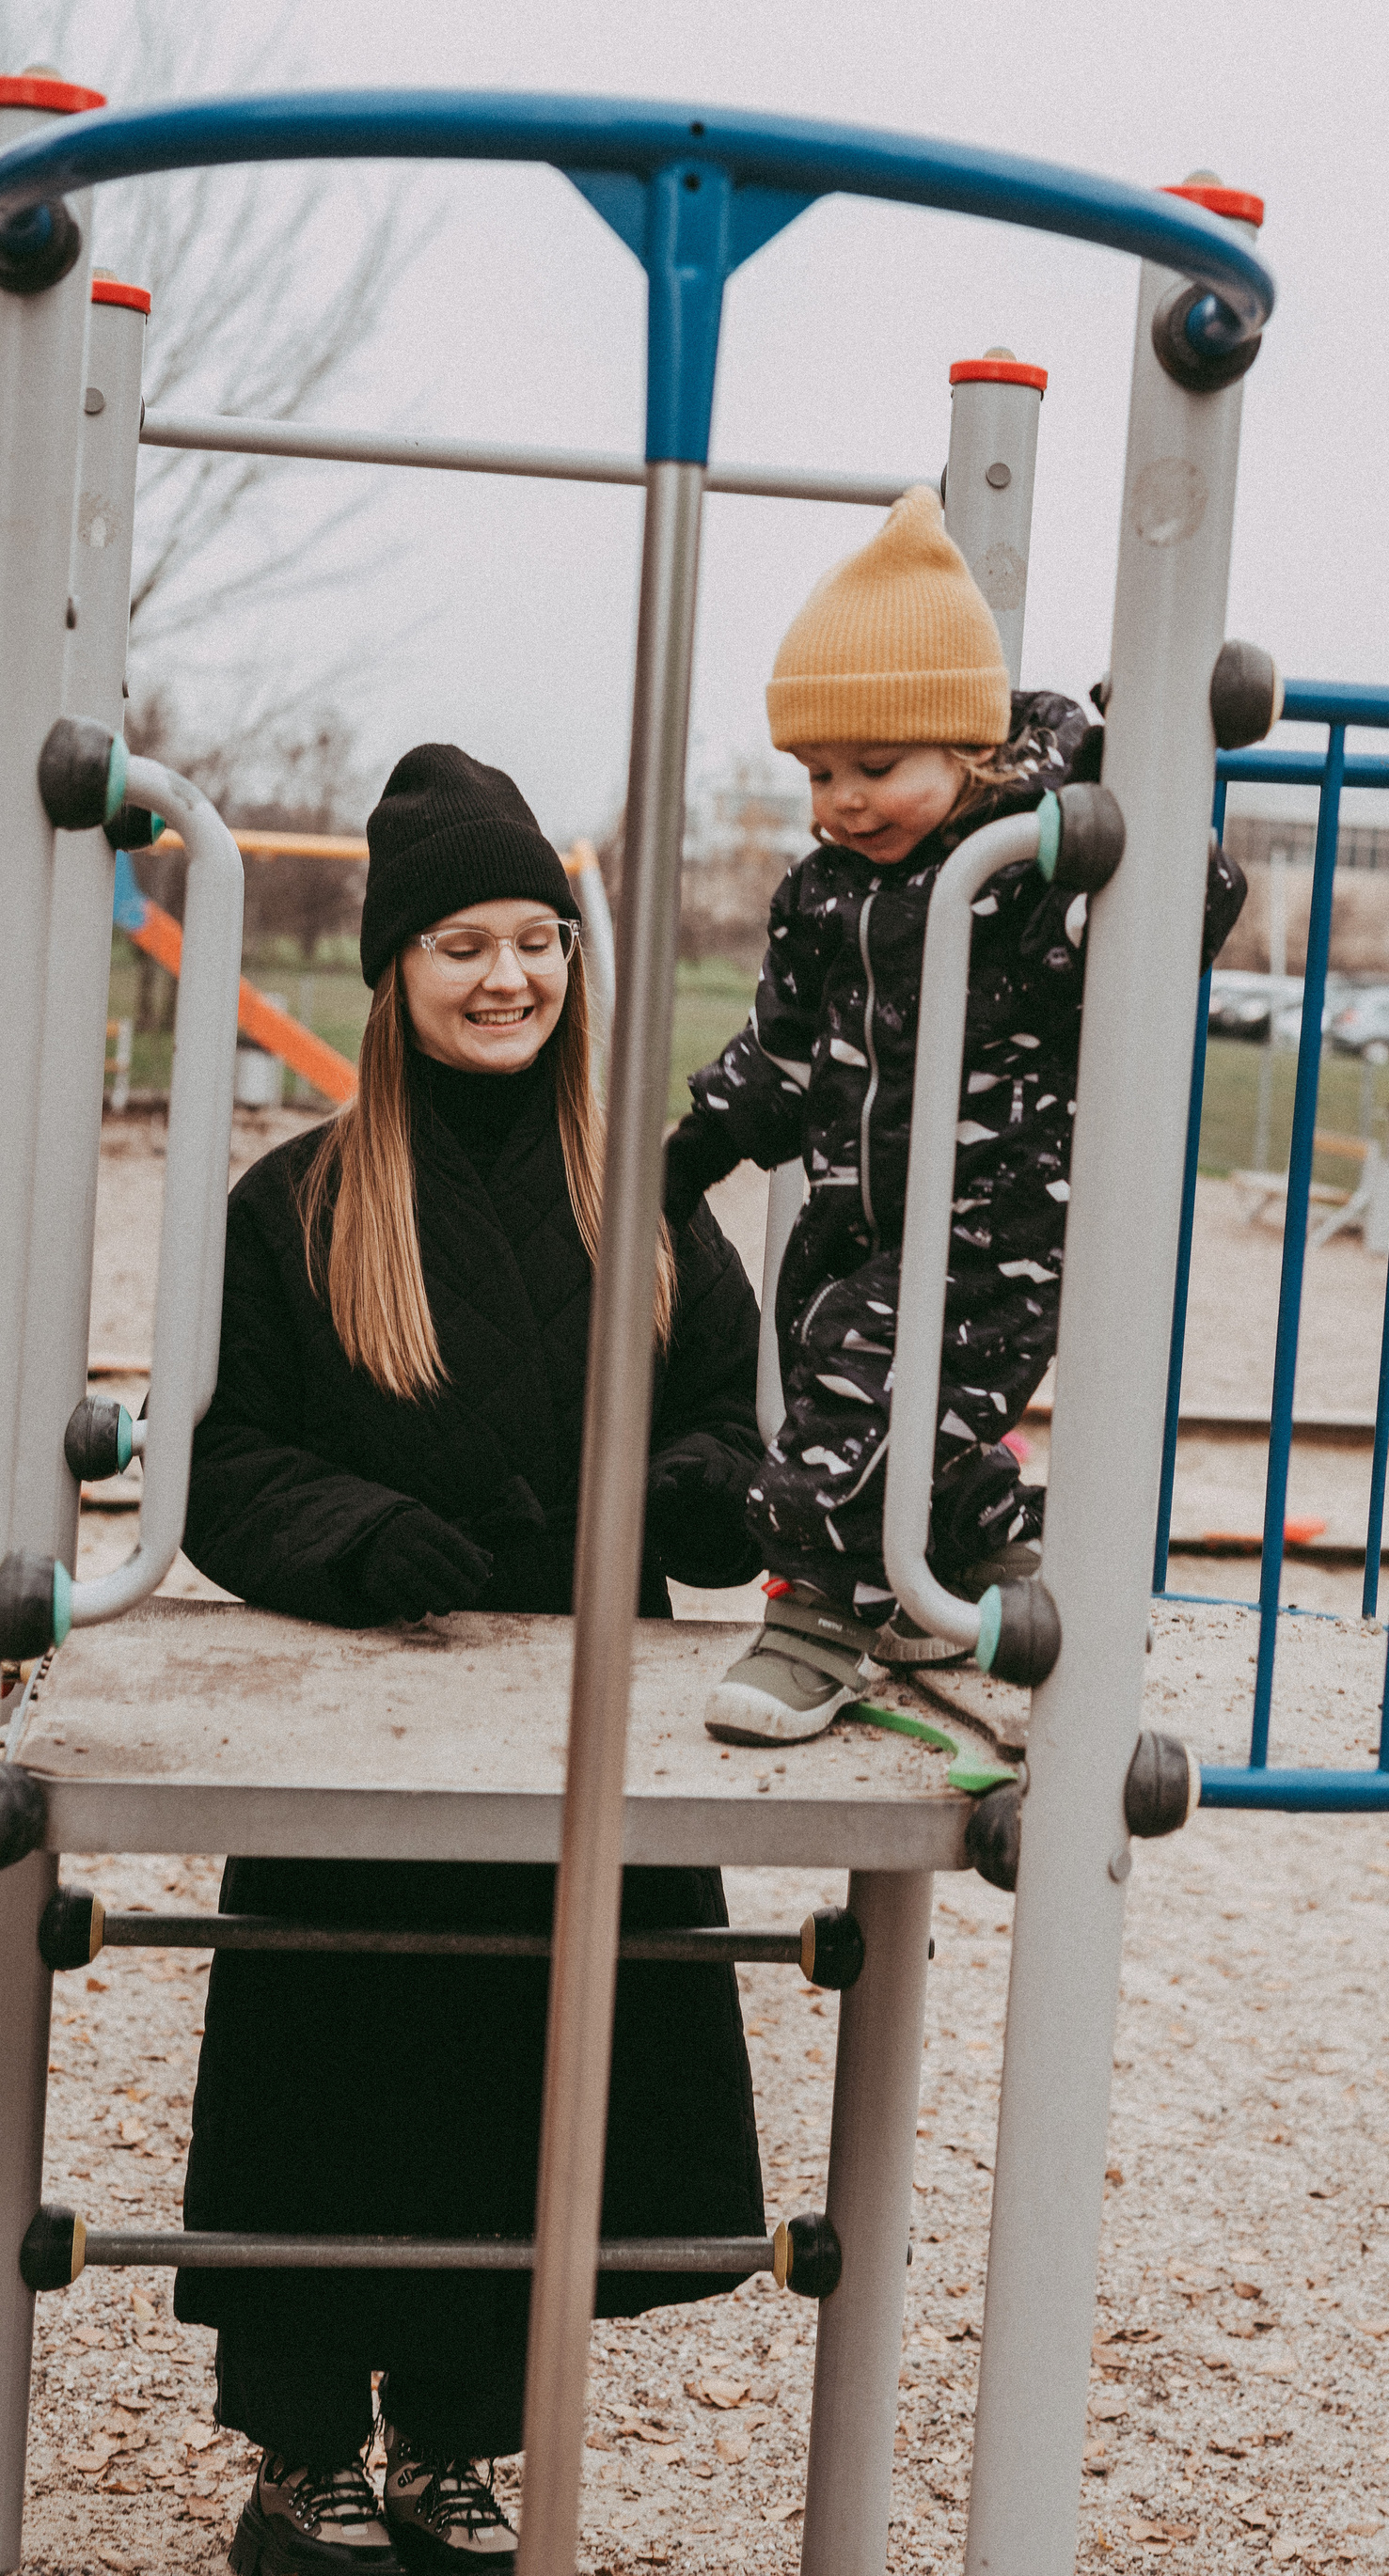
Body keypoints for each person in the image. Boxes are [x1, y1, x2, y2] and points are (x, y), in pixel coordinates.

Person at [178, 746, 767, 2576]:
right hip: (360, 1729)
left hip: (581, 1732)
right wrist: (356, 1537)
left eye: (538, 939)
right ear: (394, 972)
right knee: (335, 2065)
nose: (510, 976)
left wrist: (695, 1490)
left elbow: (739, 1448)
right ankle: (300, 2450)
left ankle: (451, 2441)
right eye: (463, 945)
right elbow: (223, 1460)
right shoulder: (296, 1209)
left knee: (532, 2079)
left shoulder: (652, 1208)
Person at [659, 486, 1097, 1747]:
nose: (841, 800)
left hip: (995, 1228)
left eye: (876, 768)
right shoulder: (824, 893)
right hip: (860, 1218)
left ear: (969, 750)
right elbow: (783, 1046)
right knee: (848, 1373)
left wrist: (1131, 803)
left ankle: (815, 1621)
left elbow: (1189, 906)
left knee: (858, 1397)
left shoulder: (1027, 873)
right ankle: (977, 1551)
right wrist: (704, 1140)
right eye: (817, 772)